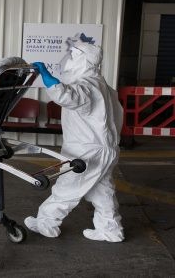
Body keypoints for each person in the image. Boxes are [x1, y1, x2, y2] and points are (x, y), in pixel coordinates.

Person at [25, 42, 124, 242]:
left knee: (67, 187)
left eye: (73, 55)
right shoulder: (103, 85)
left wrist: (45, 73)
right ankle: (111, 230)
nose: (68, 59)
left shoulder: (87, 85)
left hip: (87, 150)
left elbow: (66, 96)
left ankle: (47, 223)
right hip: (105, 148)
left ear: (83, 59)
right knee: (102, 190)